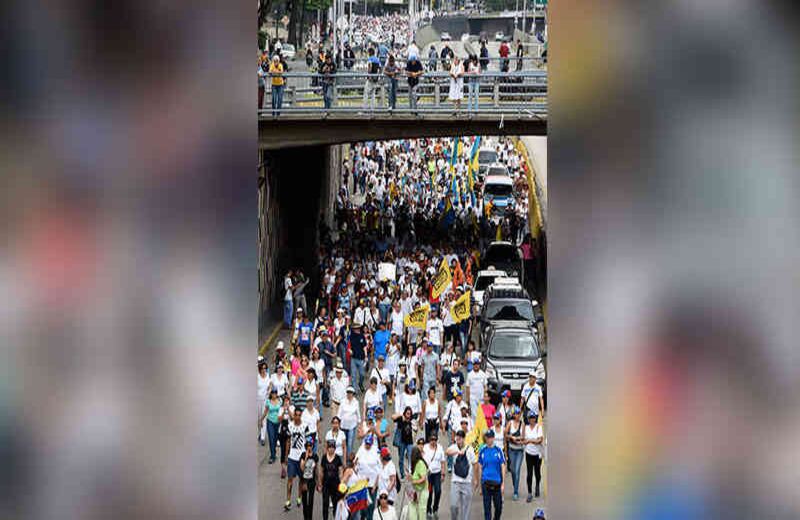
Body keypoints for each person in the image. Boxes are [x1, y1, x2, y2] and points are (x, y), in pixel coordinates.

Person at [445, 429, 478, 520]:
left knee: (466, 508)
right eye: (457, 438)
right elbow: (447, 452)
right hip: (455, 481)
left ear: (464, 439)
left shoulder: (470, 449)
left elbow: (475, 464)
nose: (458, 440)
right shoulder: (454, 447)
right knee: (453, 506)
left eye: (460, 438)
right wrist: (457, 452)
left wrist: (476, 479)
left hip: (467, 482)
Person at [477, 429, 506, 520]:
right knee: (487, 508)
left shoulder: (498, 451)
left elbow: (503, 466)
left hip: (497, 482)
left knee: (498, 507)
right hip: (486, 482)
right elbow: (480, 468)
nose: (489, 439)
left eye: (491, 437)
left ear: (493, 438)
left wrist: (503, 484)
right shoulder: (482, 451)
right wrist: (480, 486)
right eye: (488, 437)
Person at [286, 407, 310, 510]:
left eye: (299, 415)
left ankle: (299, 497)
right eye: (296, 415)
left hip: (301, 457)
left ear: (301, 416)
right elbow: (288, 441)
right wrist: (286, 456)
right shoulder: (290, 426)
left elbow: (309, 443)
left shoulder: (305, 426)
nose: (297, 417)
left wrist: (307, 456)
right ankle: (288, 500)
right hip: (292, 457)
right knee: (290, 479)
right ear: (294, 415)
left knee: (301, 479)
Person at [356, 434, 382, 520]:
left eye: (369, 444)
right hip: (362, 484)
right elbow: (356, 463)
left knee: (371, 505)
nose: (367, 446)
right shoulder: (361, 449)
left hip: (372, 484)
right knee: (363, 505)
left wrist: (375, 485)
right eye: (366, 444)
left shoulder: (376, 451)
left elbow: (379, 469)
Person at [319, 439, 344, 520]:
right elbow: (321, 471)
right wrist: (320, 484)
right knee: (325, 503)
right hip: (326, 484)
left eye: (333, 447)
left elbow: (340, 471)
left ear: (335, 448)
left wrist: (341, 483)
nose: (331, 449)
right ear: (327, 448)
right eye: (330, 447)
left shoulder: (337, 458)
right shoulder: (324, 458)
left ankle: (335, 518)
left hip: (335, 485)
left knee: (335, 504)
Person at [422, 432, 446, 520]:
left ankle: (435, 508)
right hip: (428, 474)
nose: (433, 441)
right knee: (429, 492)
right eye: (432, 439)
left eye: (435, 439)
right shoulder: (425, 448)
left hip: (437, 473)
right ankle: (428, 509)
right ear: (429, 440)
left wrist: (443, 473)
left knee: (438, 491)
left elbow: (442, 462)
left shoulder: (440, 448)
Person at [504, 406, 524, 500]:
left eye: (519, 413)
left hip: (519, 450)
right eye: (516, 413)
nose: (517, 415)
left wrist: (518, 439)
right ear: (513, 414)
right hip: (511, 449)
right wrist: (511, 437)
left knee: (517, 470)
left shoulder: (522, 424)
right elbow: (505, 434)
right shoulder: (510, 423)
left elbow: (523, 437)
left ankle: (515, 492)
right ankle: (515, 484)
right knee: (512, 470)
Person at [523, 411, 544, 501]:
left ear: (535, 418)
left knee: (537, 472)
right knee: (529, 473)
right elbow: (523, 440)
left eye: (533, 418)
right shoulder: (526, 428)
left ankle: (537, 485)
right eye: (530, 418)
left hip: (537, 454)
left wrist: (529, 441)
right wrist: (529, 441)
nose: (532, 419)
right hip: (529, 453)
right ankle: (529, 492)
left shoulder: (538, 427)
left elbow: (539, 440)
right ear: (528, 419)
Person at [392, 406, 415, 479]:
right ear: (405, 413)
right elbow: (393, 417)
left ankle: (410, 472)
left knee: (410, 456)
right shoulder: (401, 419)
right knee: (401, 458)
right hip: (401, 442)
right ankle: (402, 474)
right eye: (407, 413)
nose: (408, 415)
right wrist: (401, 415)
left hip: (409, 442)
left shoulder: (411, 420)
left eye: (410, 414)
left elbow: (415, 428)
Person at [260, 389, 282, 463]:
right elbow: (265, 412)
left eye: (275, 393)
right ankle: (272, 457)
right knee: (271, 439)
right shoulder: (268, 401)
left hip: (278, 422)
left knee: (275, 439)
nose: (274, 394)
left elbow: (282, 410)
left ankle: (274, 452)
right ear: (271, 394)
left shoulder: (280, 401)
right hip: (270, 422)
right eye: (273, 393)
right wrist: (261, 420)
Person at [299, 440, 319, 520]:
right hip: (304, 481)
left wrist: (318, 482)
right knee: (304, 501)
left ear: (312, 446)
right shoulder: (303, 455)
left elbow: (316, 469)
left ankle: (310, 518)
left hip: (312, 481)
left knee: (310, 501)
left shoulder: (315, 456)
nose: (309, 448)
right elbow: (302, 468)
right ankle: (305, 517)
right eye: (307, 446)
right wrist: (306, 458)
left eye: (310, 446)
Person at [408, 446, 429, 520]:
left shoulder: (420, 463)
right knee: (413, 512)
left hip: (422, 492)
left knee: (421, 512)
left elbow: (423, 479)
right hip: (416, 492)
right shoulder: (415, 464)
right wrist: (410, 477)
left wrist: (414, 481)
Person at [340, 386, 362, 456]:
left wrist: (359, 424)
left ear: (353, 394)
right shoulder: (343, 401)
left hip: (351, 426)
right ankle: (344, 455)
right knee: (344, 442)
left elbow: (358, 413)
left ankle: (348, 457)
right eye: (348, 393)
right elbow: (339, 413)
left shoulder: (356, 402)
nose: (349, 394)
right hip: (343, 425)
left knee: (349, 443)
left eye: (350, 393)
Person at [350, 324, 368, 392]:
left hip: (361, 358)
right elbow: (348, 345)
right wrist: (349, 350)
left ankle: (360, 383)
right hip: (353, 358)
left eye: (358, 328)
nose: (357, 330)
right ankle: (355, 390)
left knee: (362, 374)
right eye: (355, 328)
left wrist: (366, 356)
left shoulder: (362, 336)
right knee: (353, 375)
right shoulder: (351, 336)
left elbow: (364, 347)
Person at [258, 361, 270, 445]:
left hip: (265, 400)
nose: (264, 370)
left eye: (265, 368)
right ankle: (259, 433)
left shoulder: (268, 377)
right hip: (257, 399)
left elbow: (270, 385)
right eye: (262, 368)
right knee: (258, 417)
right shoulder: (257, 377)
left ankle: (262, 437)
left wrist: (269, 390)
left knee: (264, 417)